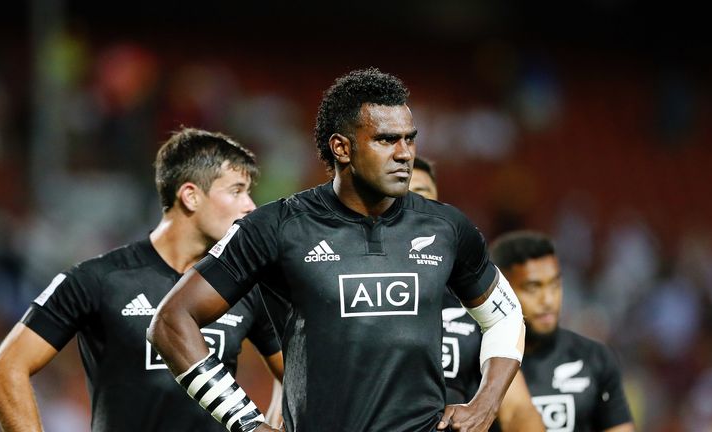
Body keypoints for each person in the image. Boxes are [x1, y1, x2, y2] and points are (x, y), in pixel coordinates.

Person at [148, 67, 526, 432]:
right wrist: (245, 421)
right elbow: (171, 321)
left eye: (409, 139)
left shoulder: (446, 227)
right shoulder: (278, 227)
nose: (404, 154)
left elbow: (505, 316)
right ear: (342, 148)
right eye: (386, 140)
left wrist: (486, 403)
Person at [0, 128, 284, 431]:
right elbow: (5, 370)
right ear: (191, 196)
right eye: (236, 191)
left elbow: (295, 374)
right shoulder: (98, 279)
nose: (250, 205)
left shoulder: (247, 288)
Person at [409, 157, 545, 432]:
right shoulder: (347, 290)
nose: (411, 205)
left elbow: (517, 411)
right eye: (401, 195)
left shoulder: (475, 306)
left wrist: (484, 407)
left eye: (422, 195)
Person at [489, 231, 635, 432]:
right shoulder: (480, 360)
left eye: (555, 285)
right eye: (533, 288)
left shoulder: (595, 359)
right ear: (500, 291)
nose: (548, 300)